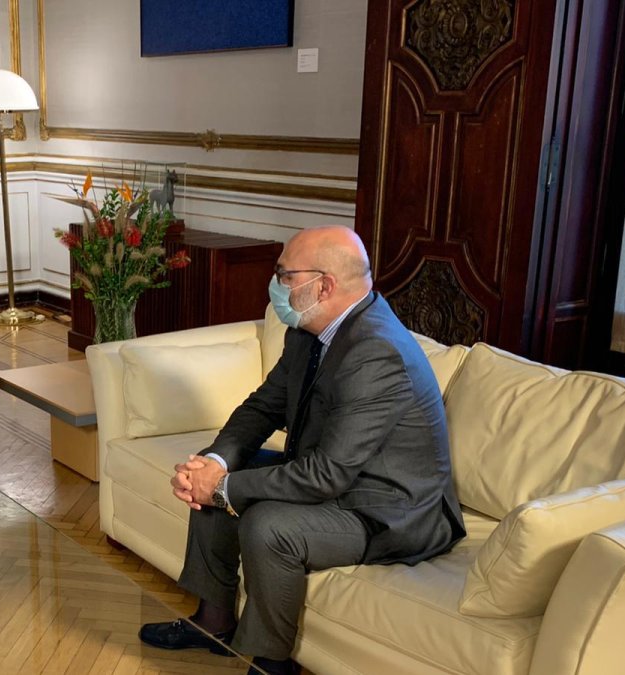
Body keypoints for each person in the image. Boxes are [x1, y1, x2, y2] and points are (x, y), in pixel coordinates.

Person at [138, 227, 465, 675]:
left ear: (324, 285)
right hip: (338, 481)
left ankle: (272, 663)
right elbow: (263, 407)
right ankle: (213, 623)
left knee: (267, 523)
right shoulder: (310, 329)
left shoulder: (376, 353)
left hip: (387, 509)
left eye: (283, 274)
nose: (275, 285)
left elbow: (326, 475)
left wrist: (224, 486)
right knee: (222, 472)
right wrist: (212, 465)